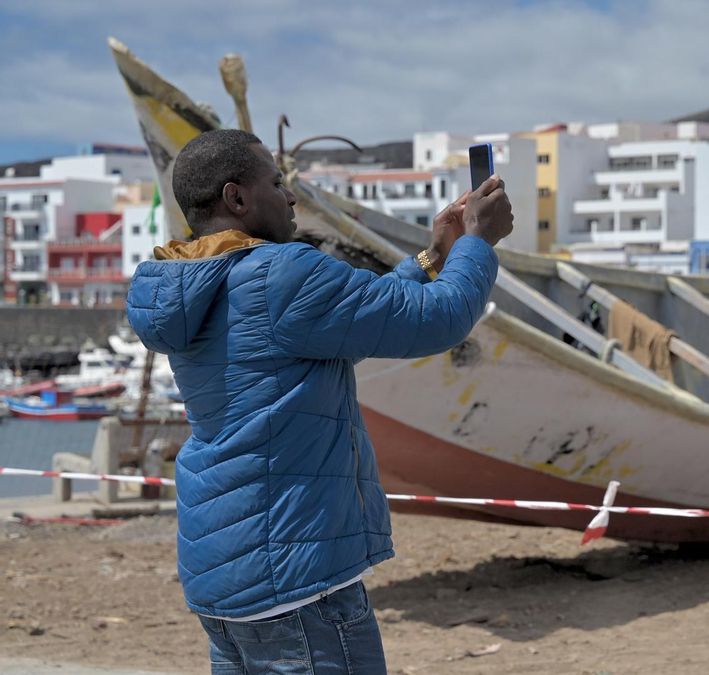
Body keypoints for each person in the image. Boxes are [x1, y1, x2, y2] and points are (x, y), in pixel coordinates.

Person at [126, 129, 513, 674]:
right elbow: (437, 319)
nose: (290, 197)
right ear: (237, 198)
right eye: (277, 182)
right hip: (296, 577)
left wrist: (434, 256)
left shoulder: (193, 284)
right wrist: (478, 242)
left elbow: (348, 318)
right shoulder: (280, 273)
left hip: (221, 575)